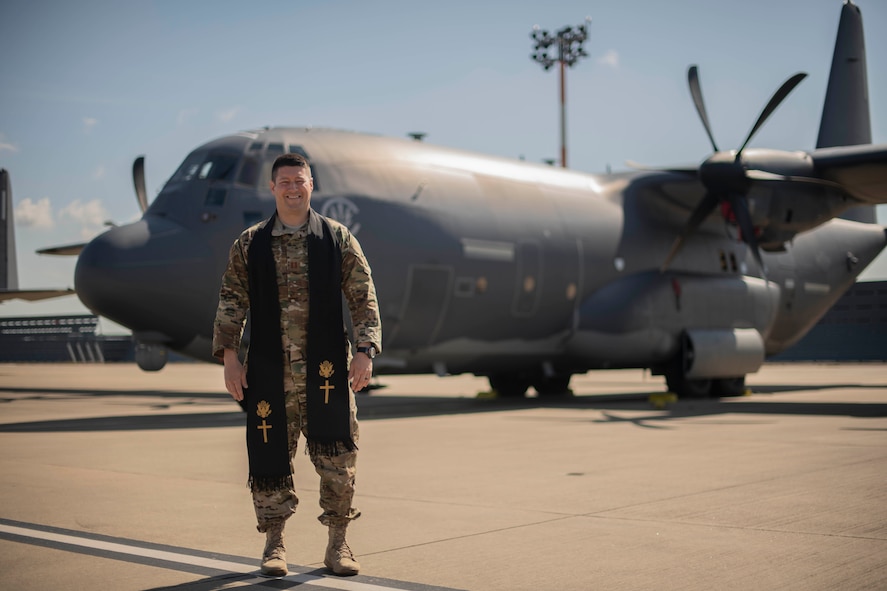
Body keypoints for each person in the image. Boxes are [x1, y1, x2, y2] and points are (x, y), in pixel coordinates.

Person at [212, 152, 381, 577]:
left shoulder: (337, 238)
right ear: (272, 188)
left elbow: (363, 297)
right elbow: (232, 301)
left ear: (311, 184)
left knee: (338, 458)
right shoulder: (250, 244)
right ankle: (274, 545)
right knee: (269, 457)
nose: (292, 188)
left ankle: (338, 545)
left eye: (299, 180)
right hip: (270, 371)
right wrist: (230, 358)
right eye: (284, 181)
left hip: (326, 373)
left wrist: (365, 351)